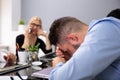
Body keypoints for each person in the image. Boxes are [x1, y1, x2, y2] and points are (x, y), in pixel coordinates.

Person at [48, 16, 120, 80]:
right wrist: (69, 59)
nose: (64, 54)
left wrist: (58, 65)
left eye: (66, 51)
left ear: (73, 38)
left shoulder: (104, 30)